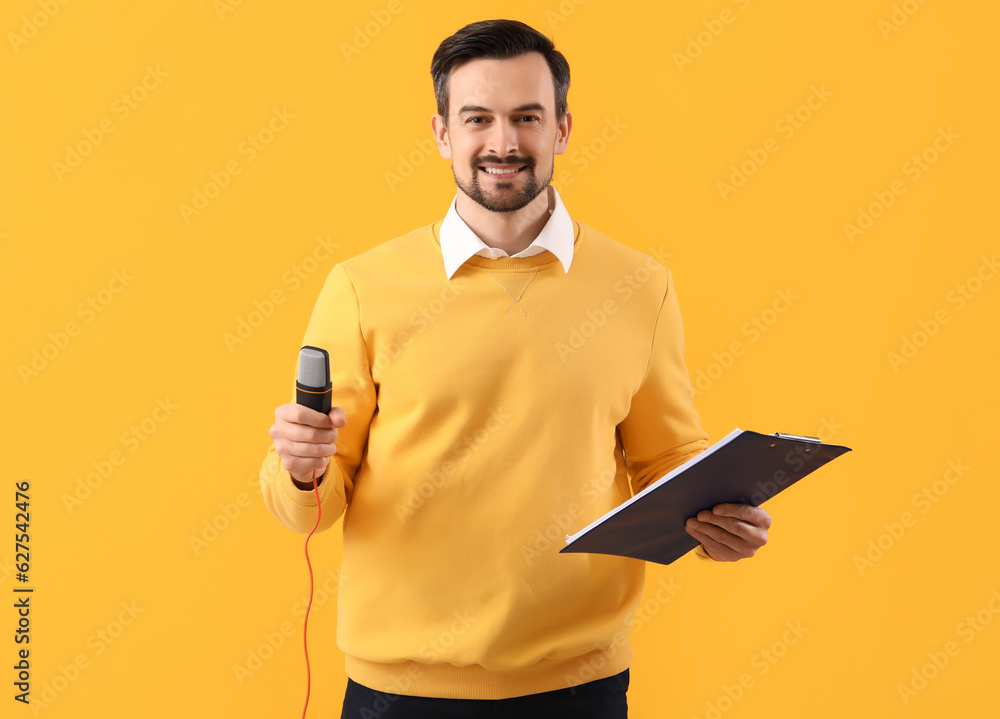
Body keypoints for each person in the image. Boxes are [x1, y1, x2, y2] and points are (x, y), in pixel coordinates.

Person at [259, 18, 771, 719]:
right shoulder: (361, 287)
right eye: (478, 119)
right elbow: (309, 504)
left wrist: (722, 521)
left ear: (561, 128)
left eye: (526, 117)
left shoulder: (639, 286)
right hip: (398, 692)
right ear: (443, 133)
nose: (503, 143)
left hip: (578, 686)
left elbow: (666, 463)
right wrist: (297, 467)